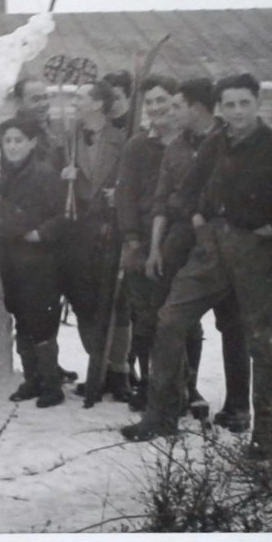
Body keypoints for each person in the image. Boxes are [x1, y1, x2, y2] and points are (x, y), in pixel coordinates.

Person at [122, 73, 272, 460]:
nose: (237, 112)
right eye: (230, 105)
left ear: (256, 103)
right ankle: (161, 415)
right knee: (170, 318)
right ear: (220, 108)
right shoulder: (216, 143)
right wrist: (200, 215)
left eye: (244, 104)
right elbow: (189, 187)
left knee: (259, 340)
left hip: (256, 253)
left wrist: (271, 226)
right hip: (211, 249)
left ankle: (263, 436)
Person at [147, 78, 250, 427]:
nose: (170, 113)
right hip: (180, 240)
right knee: (174, 319)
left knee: (233, 324)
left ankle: (238, 406)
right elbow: (162, 199)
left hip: (224, 243)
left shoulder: (230, 142)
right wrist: (155, 248)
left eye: (177, 106)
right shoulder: (175, 147)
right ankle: (177, 397)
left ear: (198, 108)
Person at [114, 75, 195, 413]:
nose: (156, 108)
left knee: (183, 318)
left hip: (183, 239)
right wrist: (132, 238)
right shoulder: (136, 146)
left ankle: (186, 387)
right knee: (145, 317)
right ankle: (149, 384)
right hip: (144, 241)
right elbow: (126, 195)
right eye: (149, 103)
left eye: (163, 100)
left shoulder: (190, 145)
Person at [50, 80, 130, 399]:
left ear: (98, 104)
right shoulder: (69, 140)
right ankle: (96, 365)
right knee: (84, 300)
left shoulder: (124, 139)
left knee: (116, 302)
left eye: (82, 97)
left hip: (111, 228)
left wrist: (120, 194)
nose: (75, 102)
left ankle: (119, 371)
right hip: (79, 231)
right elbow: (54, 187)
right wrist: (63, 177)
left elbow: (136, 183)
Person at [0, 117, 66, 408]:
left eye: (18, 140)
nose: (12, 146)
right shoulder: (6, 173)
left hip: (39, 260)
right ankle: (32, 378)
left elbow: (63, 216)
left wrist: (41, 234)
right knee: (21, 315)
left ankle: (51, 383)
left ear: (32, 143)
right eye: (7, 140)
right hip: (12, 256)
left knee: (41, 319)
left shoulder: (44, 174)